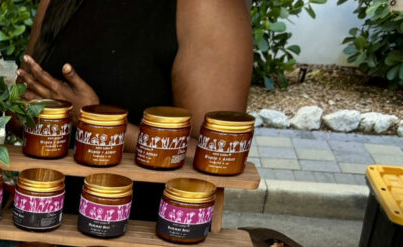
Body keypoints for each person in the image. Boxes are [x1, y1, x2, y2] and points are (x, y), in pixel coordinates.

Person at [17, 0, 253, 149]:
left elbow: (219, 152)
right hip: (39, 205)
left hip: (148, 212)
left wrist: (99, 124)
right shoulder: (57, 4)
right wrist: (9, 108)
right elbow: (25, 105)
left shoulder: (207, 8)